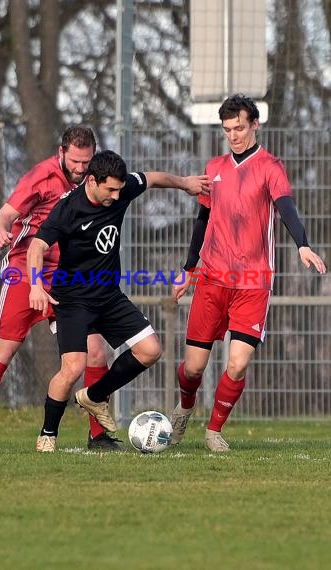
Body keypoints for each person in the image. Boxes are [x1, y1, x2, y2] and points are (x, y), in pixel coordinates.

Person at [170, 94, 326, 452]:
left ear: (255, 124)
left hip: (253, 283)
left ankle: (213, 431)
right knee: (193, 369)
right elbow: (202, 221)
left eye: (239, 128)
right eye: (227, 130)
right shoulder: (214, 167)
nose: (233, 135)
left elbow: (286, 207)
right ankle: (185, 407)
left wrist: (302, 243)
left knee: (237, 364)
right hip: (211, 278)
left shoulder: (271, 166)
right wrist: (187, 270)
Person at [27, 149, 210, 452]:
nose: (116, 194)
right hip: (71, 299)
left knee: (151, 350)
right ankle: (48, 434)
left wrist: (185, 183)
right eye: (110, 188)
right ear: (91, 181)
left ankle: (94, 396)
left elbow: (152, 178)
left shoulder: (122, 189)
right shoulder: (68, 208)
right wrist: (35, 285)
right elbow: (37, 247)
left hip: (108, 296)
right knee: (73, 367)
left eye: (119, 188)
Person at [0, 126, 120, 452]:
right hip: (24, 272)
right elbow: (3, 217)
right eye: (75, 161)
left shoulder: (95, 181)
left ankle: (97, 435)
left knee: (97, 351)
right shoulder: (40, 177)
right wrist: (1, 232)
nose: (81, 168)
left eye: (86, 161)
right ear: (61, 153)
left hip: (69, 279)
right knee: (4, 350)